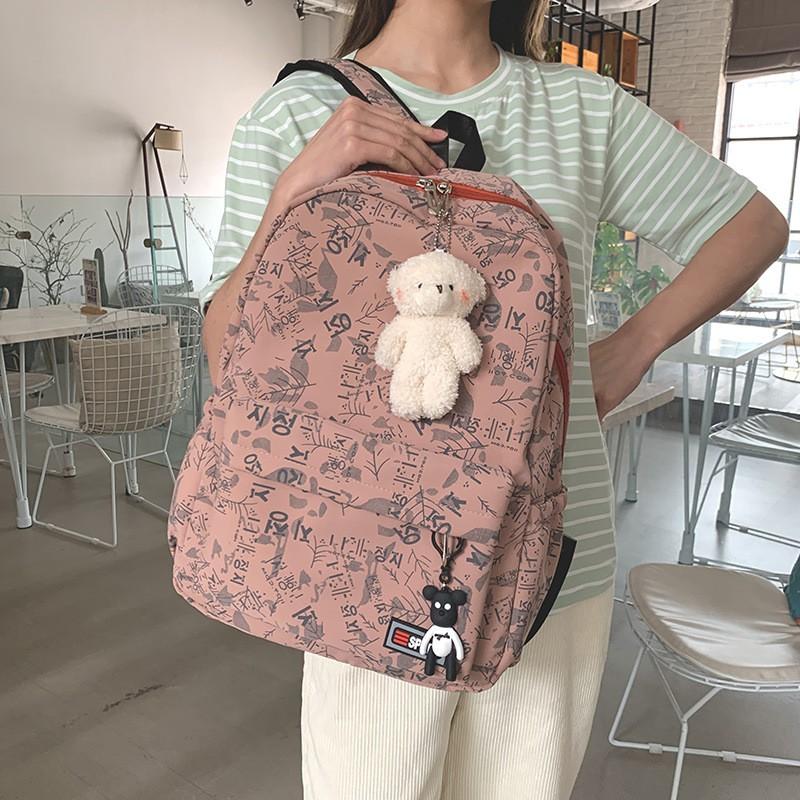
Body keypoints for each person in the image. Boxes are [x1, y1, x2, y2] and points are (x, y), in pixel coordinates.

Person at [200, 1, 788, 797]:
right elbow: (227, 356)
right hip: (360, 549)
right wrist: (294, 192)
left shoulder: (582, 108)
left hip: (555, 556)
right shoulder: (300, 112)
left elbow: (752, 225)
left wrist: (631, 348)